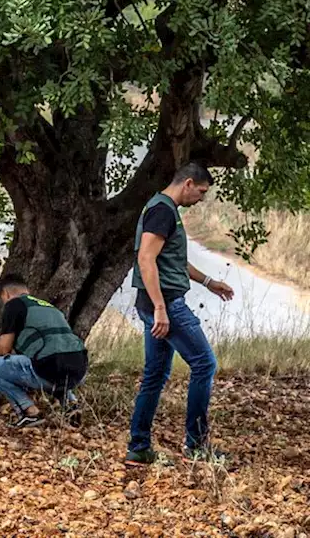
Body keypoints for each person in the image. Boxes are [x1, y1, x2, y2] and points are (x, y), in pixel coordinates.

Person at [125, 162, 234, 467]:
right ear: (187, 183)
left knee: (155, 375)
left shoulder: (164, 210)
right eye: (200, 191)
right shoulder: (162, 211)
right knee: (204, 364)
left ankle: (139, 447)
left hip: (156, 305)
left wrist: (210, 282)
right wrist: (161, 308)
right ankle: (196, 445)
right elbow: (146, 259)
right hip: (166, 306)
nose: (200, 198)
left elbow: (174, 261)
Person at [0, 274, 89, 428]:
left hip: (49, 369)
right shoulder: (49, 307)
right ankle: (71, 404)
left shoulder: (14, 304)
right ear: (27, 291)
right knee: (54, 365)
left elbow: (3, 349)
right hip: (79, 370)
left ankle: (29, 413)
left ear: (5, 294)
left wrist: (2, 354)